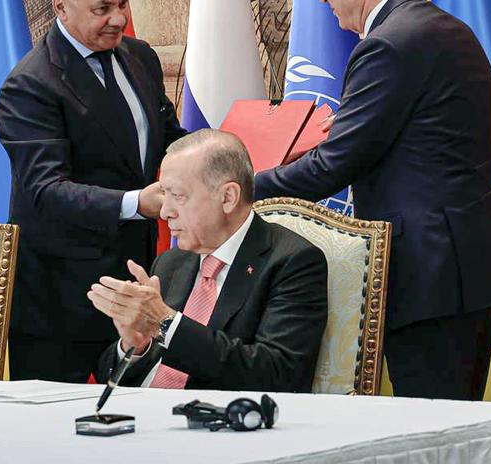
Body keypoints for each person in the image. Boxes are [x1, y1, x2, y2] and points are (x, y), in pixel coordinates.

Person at [254, 0, 491, 400]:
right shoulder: (445, 28)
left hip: (432, 281)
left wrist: (240, 187)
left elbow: (334, 166)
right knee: (456, 424)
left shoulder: (388, 45)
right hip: (472, 271)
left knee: (433, 435)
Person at [0, 0, 186, 382]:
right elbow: (47, 190)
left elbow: (171, 141)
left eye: (123, 3)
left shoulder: (140, 58)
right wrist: (138, 202)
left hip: (137, 284)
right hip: (60, 302)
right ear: (61, 7)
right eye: (103, 8)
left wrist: (238, 144)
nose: (118, 19)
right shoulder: (29, 86)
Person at [90, 129, 327, 392]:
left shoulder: (292, 261)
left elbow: (277, 373)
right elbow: (107, 379)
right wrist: (136, 346)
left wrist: (165, 322)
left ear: (227, 197)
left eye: (177, 196)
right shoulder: (171, 263)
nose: (165, 211)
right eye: (164, 195)